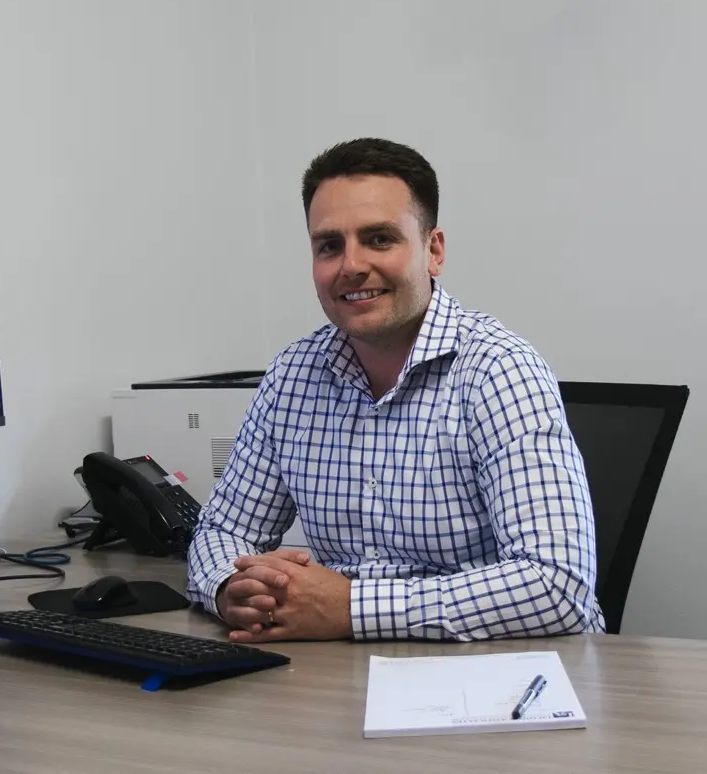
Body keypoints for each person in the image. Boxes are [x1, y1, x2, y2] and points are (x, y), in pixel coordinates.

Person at [185, 137, 603, 643]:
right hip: (344, 667)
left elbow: (558, 586)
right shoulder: (292, 376)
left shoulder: (497, 370)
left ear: (433, 251)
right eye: (329, 245)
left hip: (500, 671)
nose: (351, 266)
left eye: (380, 239)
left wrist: (351, 608)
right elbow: (222, 531)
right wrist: (231, 588)